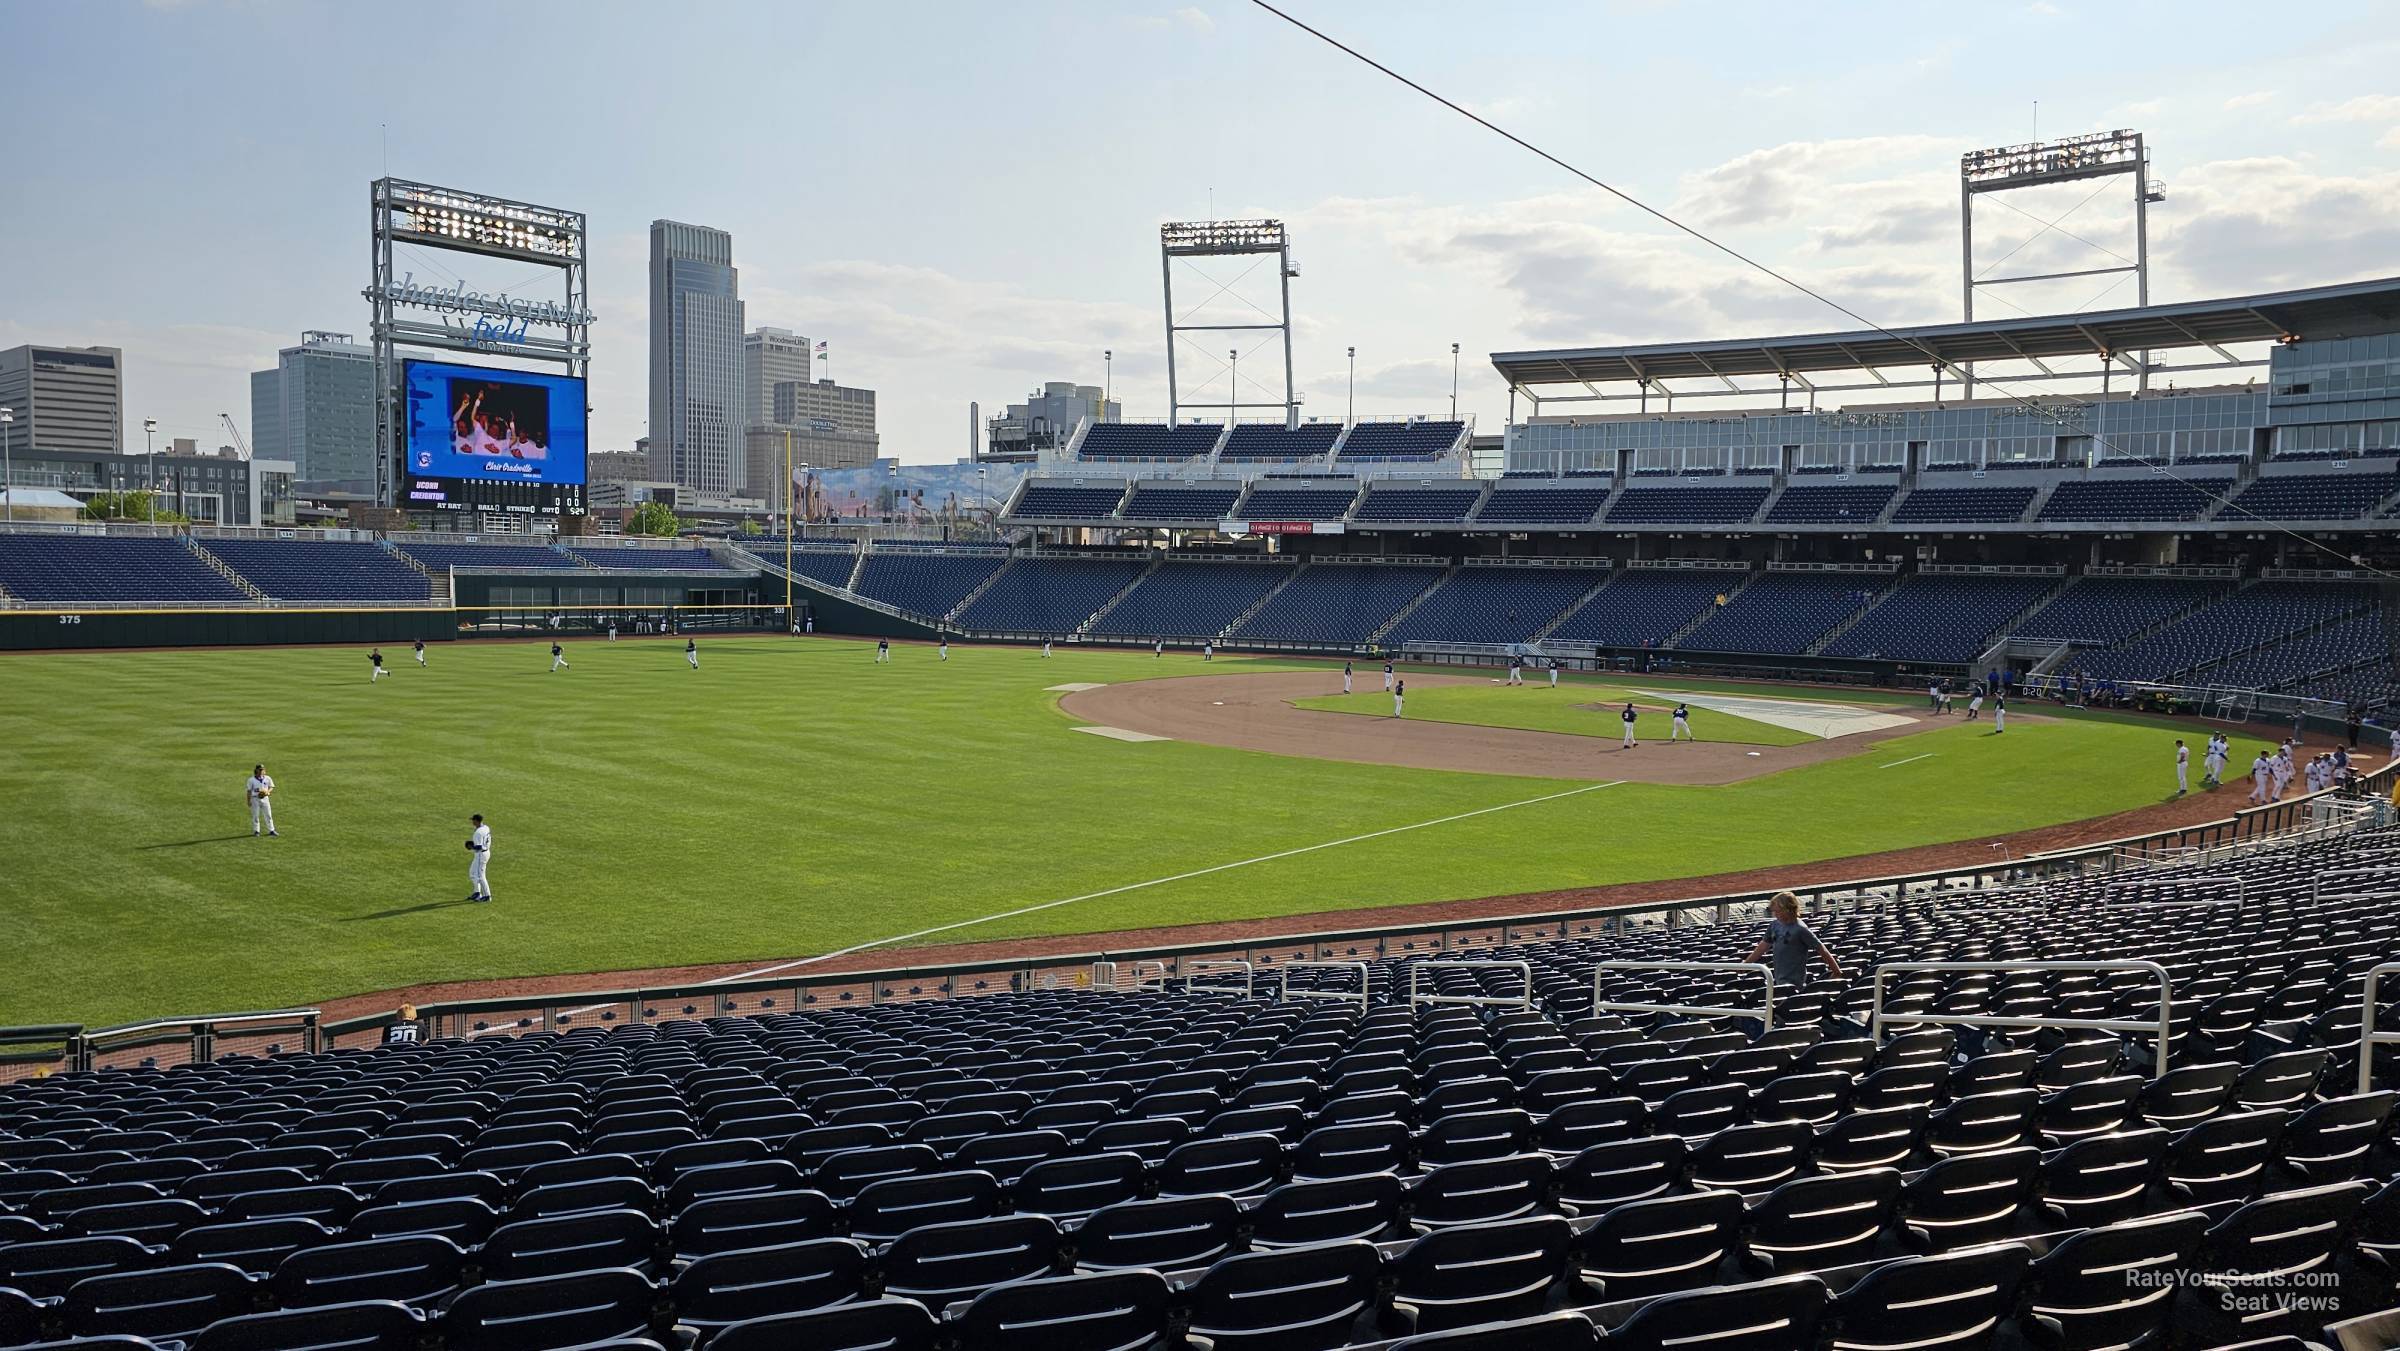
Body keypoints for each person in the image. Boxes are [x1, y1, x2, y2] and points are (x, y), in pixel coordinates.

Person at [1744, 891, 1844, 991]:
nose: (1775, 915)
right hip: (1779, 976)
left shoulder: (1800, 929)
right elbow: (1763, 946)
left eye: (1778, 911)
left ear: (1788, 909)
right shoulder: (1774, 925)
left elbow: (1821, 949)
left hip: (1794, 980)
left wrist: (1836, 971)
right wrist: (1746, 964)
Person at [464, 814, 493, 903]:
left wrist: (471, 847)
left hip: (481, 854)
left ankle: (487, 896)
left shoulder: (478, 832)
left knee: (480, 876)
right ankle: (477, 893)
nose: (472, 822)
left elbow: (479, 847)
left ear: (476, 821)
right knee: (472, 873)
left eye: (473, 820)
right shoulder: (486, 827)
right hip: (484, 853)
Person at [246, 763, 277, 838]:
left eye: (262, 770)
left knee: (268, 815)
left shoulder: (267, 778)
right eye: (260, 770)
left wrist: (268, 791)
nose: (261, 771)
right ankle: (256, 831)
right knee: (255, 816)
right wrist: (248, 801)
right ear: (256, 770)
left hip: (265, 799)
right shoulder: (251, 780)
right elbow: (249, 791)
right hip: (255, 799)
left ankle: (271, 830)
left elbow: (272, 786)